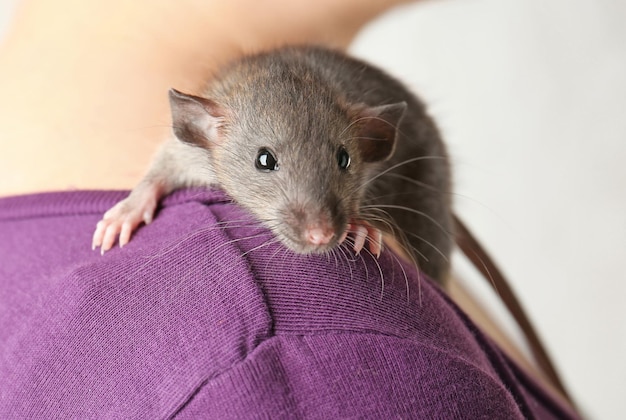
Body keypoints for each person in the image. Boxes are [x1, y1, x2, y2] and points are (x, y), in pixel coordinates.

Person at [0, 0, 579, 417]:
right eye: (268, 165)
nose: (320, 230)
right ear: (201, 125)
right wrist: (143, 194)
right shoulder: (299, 351)